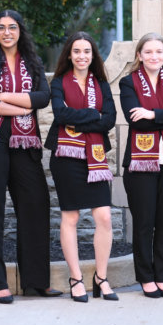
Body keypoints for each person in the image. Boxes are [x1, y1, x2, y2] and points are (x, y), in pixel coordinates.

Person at [0, 11, 57, 304]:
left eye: (12, 27)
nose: (7, 32)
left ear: (20, 30)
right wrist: (21, 106)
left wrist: (3, 97)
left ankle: (35, 281)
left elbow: (43, 98)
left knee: (35, 204)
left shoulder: (34, 62)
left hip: (24, 140)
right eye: (1, 27)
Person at [46, 32, 118, 302]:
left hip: (95, 156)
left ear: (93, 55)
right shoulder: (59, 83)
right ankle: (76, 278)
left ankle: (101, 277)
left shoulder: (101, 84)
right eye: (76, 51)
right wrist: (92, 115)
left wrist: (80, 119)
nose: (81, 56)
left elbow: (109, 120)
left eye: (86, 51)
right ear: (69, 54)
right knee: (71, 218)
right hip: (66, 158)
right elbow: (60, 114)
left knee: (104, 218)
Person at [120, 33, 163, 298]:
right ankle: (146, 277)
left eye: (159, 52)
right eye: (148, 52)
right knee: (144, 222)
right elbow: (135, 120)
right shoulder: (129, 83)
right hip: (140, 163)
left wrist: (152, 113)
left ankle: (162, 276)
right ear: (139, 55)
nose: (154, 57)